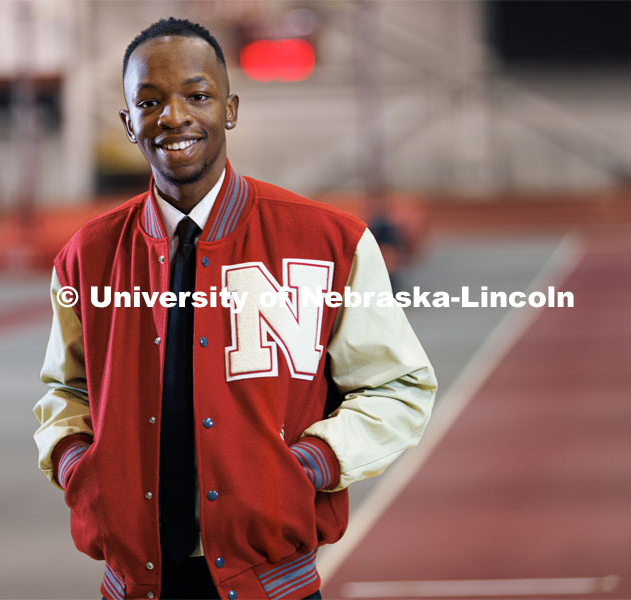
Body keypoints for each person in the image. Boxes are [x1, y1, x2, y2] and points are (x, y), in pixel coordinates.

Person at [33, 17, 436, 600]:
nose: (174, 117)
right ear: (128, 122)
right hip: (134, 586)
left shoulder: (329, 242)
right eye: (149, 101)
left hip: (275, 585)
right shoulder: (87, 257)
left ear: (230, 108)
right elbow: (65, 393)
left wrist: (311, 464)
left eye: (197, 95)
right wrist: (79, 466)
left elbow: (399, 387)